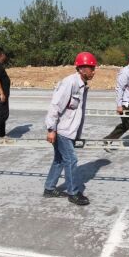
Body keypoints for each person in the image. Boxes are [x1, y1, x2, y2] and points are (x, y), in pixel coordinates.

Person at [43, 51, 97, 206]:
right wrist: (51, 129)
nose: (93, 71)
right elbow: (55, 105)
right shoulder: (70, 83)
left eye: (94, 68)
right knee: (71, 159)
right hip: (62, 130)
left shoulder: (81, 85)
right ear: (81, 68)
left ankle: (49, 188)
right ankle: (73, 193)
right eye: (91, 68)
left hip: (69, 130)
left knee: (60, 159)